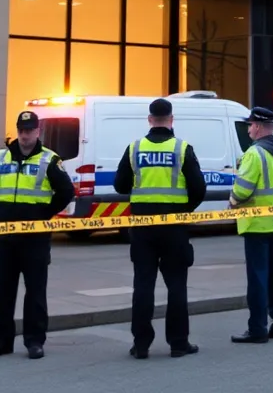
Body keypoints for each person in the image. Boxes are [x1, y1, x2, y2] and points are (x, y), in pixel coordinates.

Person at [112, 98, 207, 360]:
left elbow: (120, 185)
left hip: (142, 227)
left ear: (150, 120)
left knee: (143, 285)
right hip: (174, 227)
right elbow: (199, 188)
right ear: (171, 119)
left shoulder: (134, 148)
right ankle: (178, 343)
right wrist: (184, 210)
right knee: (176, 285)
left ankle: (141, 345)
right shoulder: (182, 148)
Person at [0, 111, 74, 360]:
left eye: (30, 130)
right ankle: (1, 342)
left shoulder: (49, 160)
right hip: (6, 237)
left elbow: (66, 191)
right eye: (22, 130)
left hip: (35, 239)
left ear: (38, 131)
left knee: (35, 292)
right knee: (3, 293)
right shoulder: (1, 156)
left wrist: (45, 213)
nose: (25, 135)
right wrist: (0, 207)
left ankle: (34, 341)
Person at [229, 107, 273, 344]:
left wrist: (232, 202)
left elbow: (241, 190)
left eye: (250, 125)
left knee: (258, 278)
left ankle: (258, 328)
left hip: (257, 225)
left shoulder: (254, 154)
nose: (248, 128)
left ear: (258, 127)